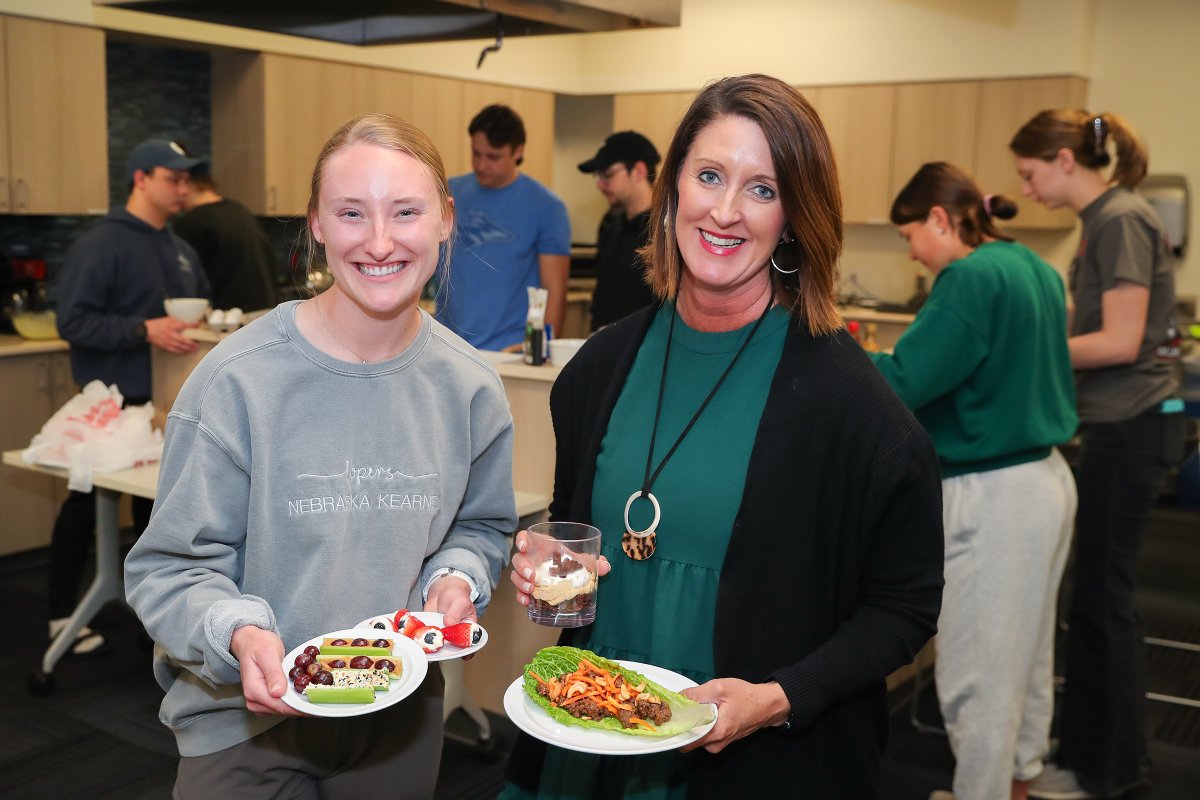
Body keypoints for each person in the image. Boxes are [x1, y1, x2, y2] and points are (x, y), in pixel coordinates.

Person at [501, 74, 945, 798]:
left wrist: (776, 698)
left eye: (763, 190)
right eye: (710, 175)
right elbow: (579, 535)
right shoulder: (599, 370)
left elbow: (904, 608)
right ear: (674, 185)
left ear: (796, 216)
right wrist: (550, 564)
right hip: (591, 738)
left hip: (751, 764)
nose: (726, 211)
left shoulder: (853, 408)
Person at [123, 113, 516, 797]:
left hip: (398, 718)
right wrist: (238, 633)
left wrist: (455, 578)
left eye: (406, 211)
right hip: (244, 724)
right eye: (352, 213)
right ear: (318, 225)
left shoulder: (471, 387)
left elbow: (480, 529)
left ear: (445, 220)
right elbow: (169, 569)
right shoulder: (236, 381)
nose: (381, 241)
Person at [869, 162, 1079, 800]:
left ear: (940, 218)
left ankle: (981, 793)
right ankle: (1018, 781)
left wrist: (839, 353)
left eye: (910, 235)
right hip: (1047, 477)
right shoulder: (1033, 265)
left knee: (978, 667)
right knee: (1027, 654)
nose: (912, 251)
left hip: (995, 492)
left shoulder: (968, 276)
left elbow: (906, 380)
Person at [1010, 111, 1183, 800]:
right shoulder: (1106, 220)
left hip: (1131, 427)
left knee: (1104, 604)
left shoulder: (1119, 219)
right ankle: (1085, 752)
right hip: (1115, 425)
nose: (1025, 188)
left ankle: (1109, 772)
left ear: (1061, 158)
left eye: (1029, 174)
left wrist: (1030, 355)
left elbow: (1120, 340)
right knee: (1090, 600)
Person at [52, 138, 210, 655]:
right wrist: (145, 330)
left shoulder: (182, 249)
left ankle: (152, 615)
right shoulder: (102, 244)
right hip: (111, 407)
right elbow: (72, 321)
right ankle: (59, 614)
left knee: (156, 515)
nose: (183, 186)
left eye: (188, 178)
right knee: (83, 506)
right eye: (173, 177)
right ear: (140, 179)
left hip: (166, 410)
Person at [435, 104, 571, 350]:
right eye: (476, 154)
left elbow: (555, 291)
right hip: (448, 345)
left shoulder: (546, 207)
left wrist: (541, 350)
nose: (482, 165)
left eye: (493, 157)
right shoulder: (448, 193)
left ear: (517, 151)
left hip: (511, 350)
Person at [577, 130, 660, 331]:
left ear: (639, 171)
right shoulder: (609, 228)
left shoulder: (664, 232)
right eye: (598, 176)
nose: (600, 184)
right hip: (606, 348)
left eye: (608, 174)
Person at [174, 163, 279, 312]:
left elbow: (186, 286)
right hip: (263, 314)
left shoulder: (191, 224)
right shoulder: (239, 210)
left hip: (227, 321)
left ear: (188, 184)